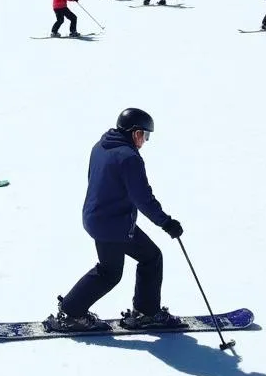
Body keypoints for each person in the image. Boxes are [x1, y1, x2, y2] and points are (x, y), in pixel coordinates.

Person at [45, 108, 183, 333]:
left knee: (150, 257)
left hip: (99, 217)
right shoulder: (129, 158)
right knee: (111, 272)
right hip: (112, 224)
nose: (145, 141)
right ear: (135, 133)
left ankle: (145, 311)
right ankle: (72, 314)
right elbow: (143, 198)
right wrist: (166, 222)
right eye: (145, 135)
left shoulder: (100, 146)